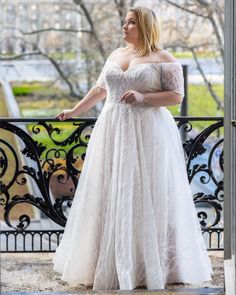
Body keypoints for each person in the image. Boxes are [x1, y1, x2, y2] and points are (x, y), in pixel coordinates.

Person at [52, 6, 213, 291]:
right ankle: (109, 262)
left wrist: (143, 96)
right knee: (109, 191)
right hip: (112, 130)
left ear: (145, 26)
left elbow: (176, 96)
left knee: (145, 193)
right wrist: (75, 110)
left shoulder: (164, 59)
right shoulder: (115, 55)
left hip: (147, 133)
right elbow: (100, 89)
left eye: (130, 23)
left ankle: (148, 265)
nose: (124, 27)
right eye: (125, 22)